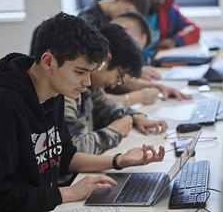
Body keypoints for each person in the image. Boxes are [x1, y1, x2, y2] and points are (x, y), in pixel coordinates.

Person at [0, 12, 165, 212]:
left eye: (91, 72)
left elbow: (63, 156)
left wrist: (118, 161)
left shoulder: (53, 94)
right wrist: (65, 193)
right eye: (80, 72)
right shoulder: (1, 108)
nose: (88, 82)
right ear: (48, 61)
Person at [64, 23, 168, 155]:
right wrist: (114, 132)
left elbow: (105, 106)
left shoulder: (89, 87)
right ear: (105, 60)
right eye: (118, 76)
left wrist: (135, 116)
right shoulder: (68, 91)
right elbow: (75, 150)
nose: (114, 84)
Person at [106, 12, 192, 106]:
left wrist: (158, 87)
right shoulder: (96, 51)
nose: (134, 53)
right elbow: (97, 100)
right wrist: (138, 97)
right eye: (135, 46)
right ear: (125, 28)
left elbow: (120, 79)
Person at [142, 0, 201, 64]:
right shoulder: (133, 11)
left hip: (157, 62)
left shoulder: (168, 10)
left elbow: (194, 30)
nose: (161, 1)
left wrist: (174, 41)